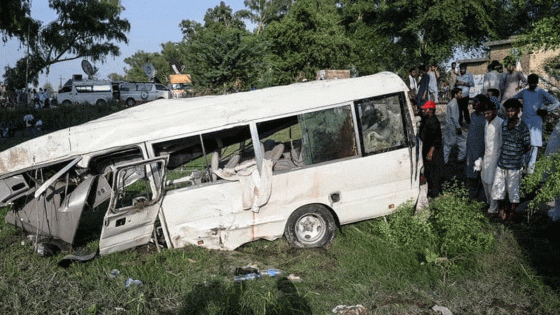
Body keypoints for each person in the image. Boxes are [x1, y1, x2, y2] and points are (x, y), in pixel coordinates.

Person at [491, 99, 531, 221]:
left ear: (518, 111)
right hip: (502, 163)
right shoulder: (503, 124)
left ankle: (512, 213)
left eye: (512, 111)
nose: (509, 113)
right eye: (508, 111)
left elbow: (527, 146)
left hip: (515, 165)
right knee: (499, 188)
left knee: (514, 191)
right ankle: (502, 209)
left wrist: (516, 154)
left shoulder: (523, 127)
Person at [513, 74, 560, 174]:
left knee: (534, 148)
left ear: (537, 82)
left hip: (536, 124)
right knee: (523, 147)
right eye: (530, 83)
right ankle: (521, 173)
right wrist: (520, 105)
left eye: (534, 83)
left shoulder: (541, 92)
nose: (532, 85)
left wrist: (545, 110)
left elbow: (556, 103)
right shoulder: (524, 92)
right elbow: (514, 98)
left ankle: (530, 174)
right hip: (525, 123)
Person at [475, 99, 503, 215]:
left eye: (488, 113)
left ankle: (494, 208)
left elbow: (502, 143)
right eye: (484, 114)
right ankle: (488, 203)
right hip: (486, 155)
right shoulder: (487, 122)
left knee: (492, 182)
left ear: (495, 111)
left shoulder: (500, 123)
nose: (486, 116)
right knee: (484, 179)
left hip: (496, 156)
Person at [419, 100, 444, 198]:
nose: (423, 111)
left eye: (426, 109)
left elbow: (437, 139)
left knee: (434, 172)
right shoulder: (426, 120)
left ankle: (435, 193)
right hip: (427, 148)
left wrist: (431, 152)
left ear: (430, 110)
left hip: (433, 151)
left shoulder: (434, 122)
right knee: (428, 171)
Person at [465, 95, 488, 201]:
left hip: (482, 153)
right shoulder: (473, 115)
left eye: (476, 101)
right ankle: (472, 198)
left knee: (482, 177)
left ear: (483, 103)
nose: (473, 103)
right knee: (471, 176)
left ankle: (483, 199)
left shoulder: (487, 117)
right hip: (471, 152)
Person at [443, 87, 466, 164]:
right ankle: (458, 159)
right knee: (450, 145)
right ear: (455, 94)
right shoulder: (453, 103)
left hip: (451, 127)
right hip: (453, 127)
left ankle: (457, 159)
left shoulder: (453, 103)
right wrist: (458, 127)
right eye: (460, 93)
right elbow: (454, 117)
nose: (461, 95)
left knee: (449, 145)